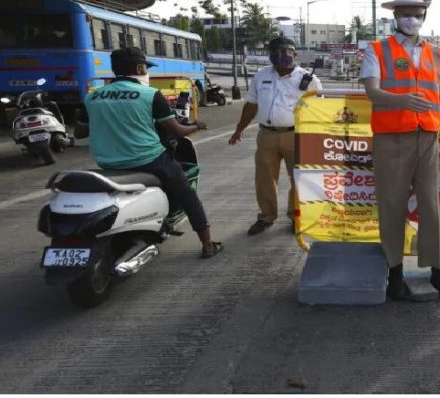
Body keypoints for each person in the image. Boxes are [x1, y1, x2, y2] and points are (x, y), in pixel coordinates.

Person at [360, 0, 440, 302]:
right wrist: (402, 100)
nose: (412, 19)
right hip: (391, 138)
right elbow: (372, 92)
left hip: (427, 137)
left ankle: (438, 271)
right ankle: (395, 273)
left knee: (430, 205)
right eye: (406, 14)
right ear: (395, 15)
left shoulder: (438, 53)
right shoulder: (377, 49)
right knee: (392, 205)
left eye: (417, 14)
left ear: (424, 16)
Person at [74, 47, 222, 259]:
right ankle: (207, 244)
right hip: (148, 160)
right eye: (145, 68)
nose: (147, 72)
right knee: (187, 193)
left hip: (108, 163)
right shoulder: (150, 95)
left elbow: (79, 133)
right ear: (139, 68)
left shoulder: (93, 96)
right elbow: (177, 131)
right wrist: (197, 125)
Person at [228, 37, 322, 235]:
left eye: (287, 51)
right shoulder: (261, 76)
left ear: (295, 53)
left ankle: (296, 217)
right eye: (276, 51)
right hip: (267, 135)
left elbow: (320, 109)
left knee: (299, 178)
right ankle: (266, 216)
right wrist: (239, 129)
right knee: (265, 178)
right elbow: (251, 105)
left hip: (297, 135)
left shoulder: (309, 79)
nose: (282, 55)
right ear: (269, 54)